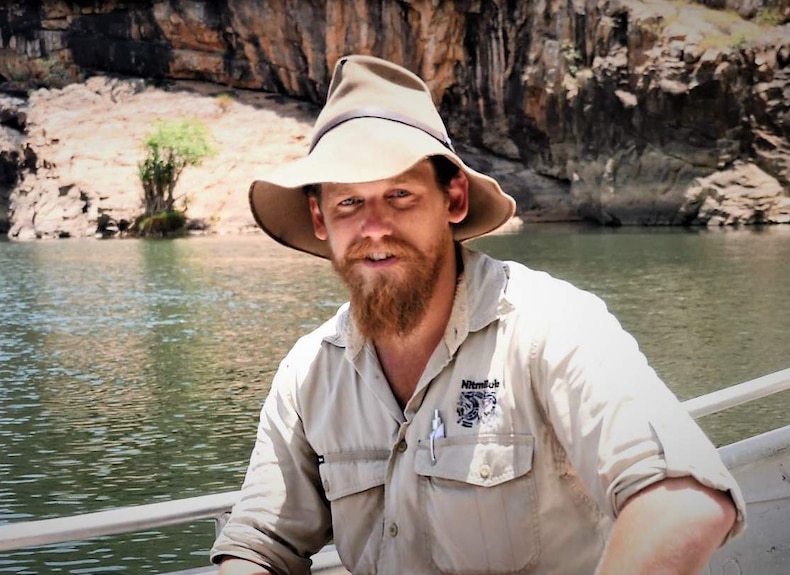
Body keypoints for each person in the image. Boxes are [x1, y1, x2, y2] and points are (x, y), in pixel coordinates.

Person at [210, 54, 745, 575]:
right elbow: (262, 544)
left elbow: (684, 502)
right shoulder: (308, 372)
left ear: (454, 199)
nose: (374, 227)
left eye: (400, 194)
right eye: (349, 202)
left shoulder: (551, 325)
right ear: (319, 218)